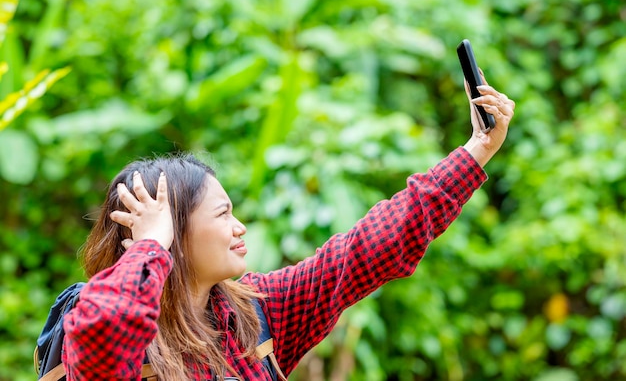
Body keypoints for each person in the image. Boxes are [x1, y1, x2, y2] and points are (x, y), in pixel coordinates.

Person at [60, 80, 515, 380]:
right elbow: (104, 328)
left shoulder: (256, 315)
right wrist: (152, 246)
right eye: (221, 215)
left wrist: (477, 151)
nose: (239, 228)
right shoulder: (110, 331)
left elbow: (362, 252)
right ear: (173, 236)